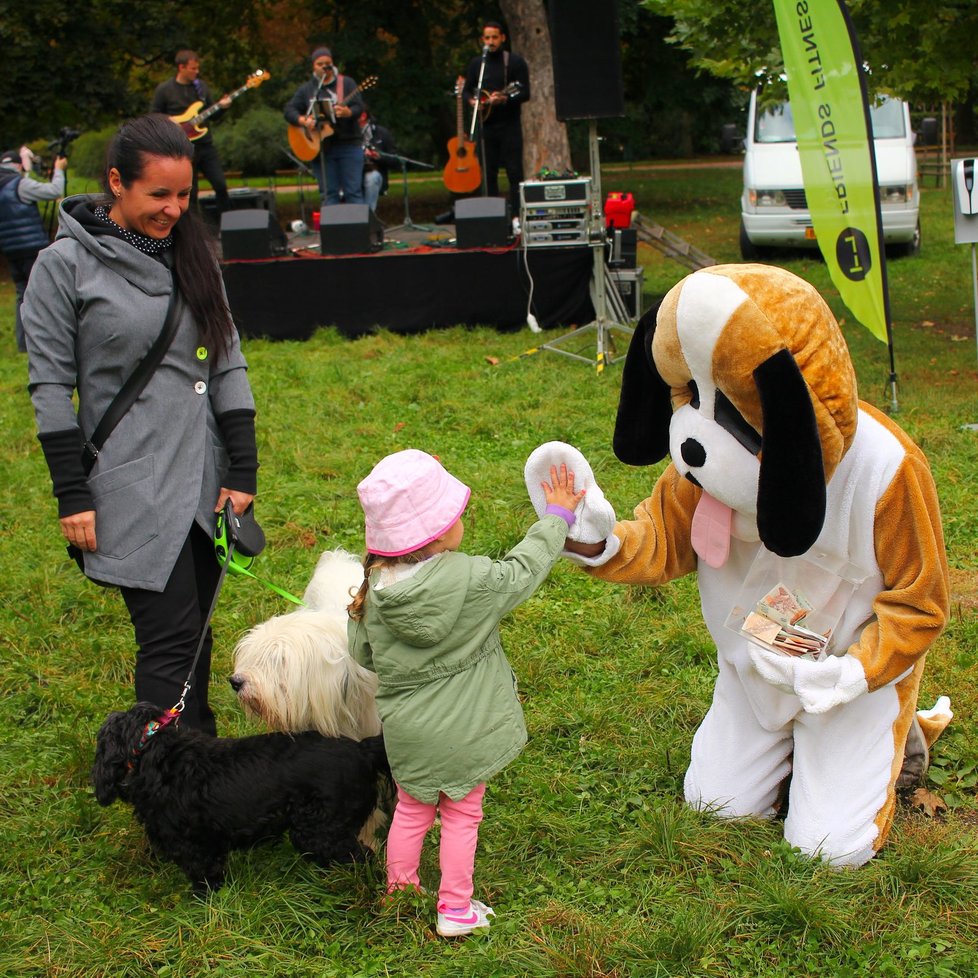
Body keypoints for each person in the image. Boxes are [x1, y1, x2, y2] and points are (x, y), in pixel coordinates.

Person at [23, 114, 259, 734]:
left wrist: (243, 467)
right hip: (130, 482)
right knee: (170, 640)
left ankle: (196, 771)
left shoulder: (196, 254)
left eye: (184, 195)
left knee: (198, 635)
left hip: (204, 478)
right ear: (115, 183)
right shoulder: (63, 266)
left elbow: (229, 364)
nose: (174, 209)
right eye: (159, 194)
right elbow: (50, 388)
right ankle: (168, 797)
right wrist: (71, 494)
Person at [347, 450, 584, 938]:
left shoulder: (374, 588)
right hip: (465, 731)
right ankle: (455, 908)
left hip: (408, 734)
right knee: (462, 813)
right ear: (436, 533)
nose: (462, 520)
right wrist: (557, 519)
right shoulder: (472, 578)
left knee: (412, 807)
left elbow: (364, 655)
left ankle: (402, 890)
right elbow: (522, 570)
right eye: (456, 514)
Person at [0, 146, 67, 352]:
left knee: (22, 294)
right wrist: (59, 170)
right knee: (43, 293)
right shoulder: (18, 184)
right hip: (31, 248)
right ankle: (48, 340)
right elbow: (54, 191)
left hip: (10, 249)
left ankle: (24, 344)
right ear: (18, 165)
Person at [462, 20, 530, 222]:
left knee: (514, 171)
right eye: (487, 38)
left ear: (502, 38)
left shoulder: (514, 62)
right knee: (488, 171)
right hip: (486, 126)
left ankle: (517, 215)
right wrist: (473, 101)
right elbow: (467, 90)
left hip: (509, 125)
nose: (490, 42)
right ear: (482, 40)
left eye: (494, 37)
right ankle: (493, 216)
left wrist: (506, 98)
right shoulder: (477, 64)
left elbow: (525, 92)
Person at [151, 50, 232, 214]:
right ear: (181, 67)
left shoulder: (201, 87)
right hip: (182, 148)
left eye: (197, 68)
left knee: (220, 185)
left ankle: (226, 226)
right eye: (193, 68)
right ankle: (192, 233)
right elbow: (153, 114)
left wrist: (223, 108)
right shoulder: (165, 89)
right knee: (190, 193)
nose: (197, 71)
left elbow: (212, 114)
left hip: (206, 145)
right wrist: (169, 120)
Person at [284, 47, 365, 206]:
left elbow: (359, 106)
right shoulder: (308, 89)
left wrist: (348, 112)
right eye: (320, 64)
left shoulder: (346, 83)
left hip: (348, 144)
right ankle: (332, 229)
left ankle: (358, 229)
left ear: (333, 64)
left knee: (353, 191)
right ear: (314, 66)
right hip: (321, 149)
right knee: (329, 193)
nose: (324, 67)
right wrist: (303, 121)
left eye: (327, 63)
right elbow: (289, 110)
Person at [360, 108, 397, 213]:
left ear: (363, 116)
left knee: (371, 178)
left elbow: (395, 160)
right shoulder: (347, 134)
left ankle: (368, 218)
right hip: (352, 175)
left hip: (374, 173)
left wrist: (378, 157)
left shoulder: (382, 133)